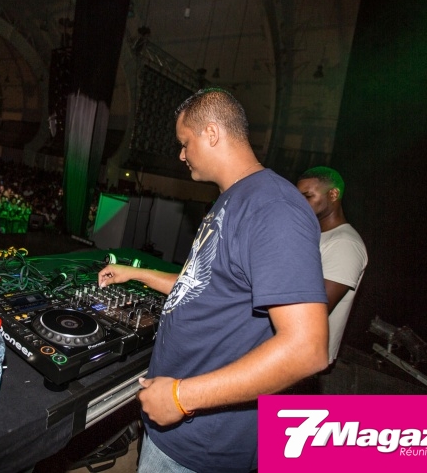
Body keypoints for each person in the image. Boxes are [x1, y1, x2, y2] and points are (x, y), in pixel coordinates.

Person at [98, 89, 329, 473]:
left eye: (184, 143)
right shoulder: (233, 199)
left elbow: (307, 349)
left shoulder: (273, 207)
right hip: (177, 428)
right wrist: (135, 272)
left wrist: (181, 396)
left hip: (203, 442)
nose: (181, 154)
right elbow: (198, 285)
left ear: (211, 133)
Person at [297, 166, 368, 365]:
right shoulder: (311, 235)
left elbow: (315, 310)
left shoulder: (345, 243)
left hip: (304, 359)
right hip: (289, 352)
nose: (300, 203)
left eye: (307, 196)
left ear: (333, 194)